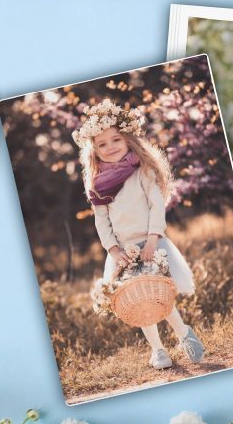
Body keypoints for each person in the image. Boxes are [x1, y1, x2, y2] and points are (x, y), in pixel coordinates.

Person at [73, 99, 205, 369]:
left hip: (152, 243)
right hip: (124, 251)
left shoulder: (141, 171)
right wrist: (113, 250)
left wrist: (154, 239)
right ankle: (157, 349)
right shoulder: (98, 185)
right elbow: (102, 221)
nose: (110, 148)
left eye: (115, 140)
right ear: (94, 150)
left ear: (128, 141)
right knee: (139, 301)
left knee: (158, 295)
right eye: (102, 144)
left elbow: (157, 204)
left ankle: (183, 333)